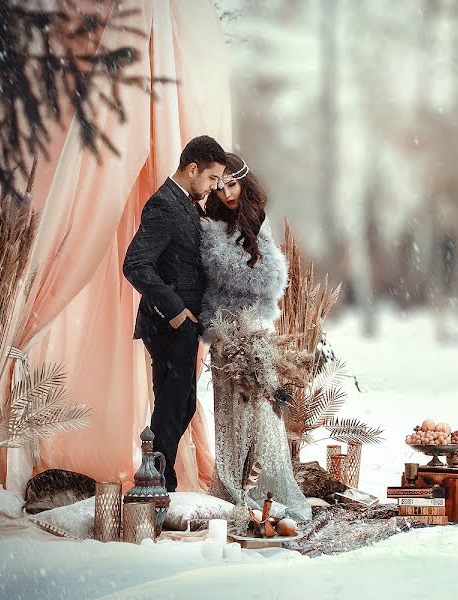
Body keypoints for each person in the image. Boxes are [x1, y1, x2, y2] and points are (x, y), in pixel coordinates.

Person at [200, 153, 311, 521]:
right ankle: (234, 488)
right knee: (230, 414)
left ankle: (265, 489)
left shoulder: (255, 223)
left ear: (244, 181)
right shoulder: (211, 228)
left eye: (230, 183)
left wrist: (249, 282)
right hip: (226, 334)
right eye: (218, 187)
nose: (225, 193)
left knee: (262, 415)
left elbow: (272, 278)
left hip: (257, 332)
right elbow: (226, 273)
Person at [122, 135, 227, 492]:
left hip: (185, 326)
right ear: (192, 168)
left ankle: (157, 477)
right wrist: (176, 310)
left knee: (181, 407)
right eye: (212, 178)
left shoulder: (189, 205)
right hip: (167, 323)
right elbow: (135, 265)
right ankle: (157, 486)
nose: (214, 187)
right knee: (172, 408)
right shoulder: (164, 205)